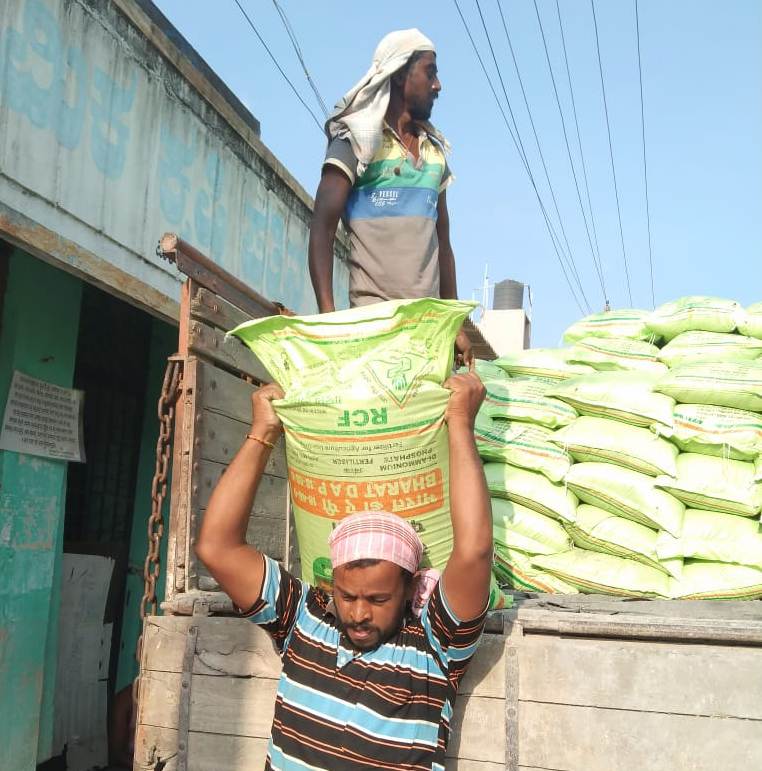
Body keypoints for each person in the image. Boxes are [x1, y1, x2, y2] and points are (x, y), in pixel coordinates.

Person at [195, 372, 492, 770]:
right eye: (347, 595)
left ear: (408, 589)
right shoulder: (305, 617)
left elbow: (473, 551)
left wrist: (459, 423)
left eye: (378, 598)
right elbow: (217, 548)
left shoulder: (433, 646)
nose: (358, 613)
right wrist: (263, 432)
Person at [308, 28, 473, 366]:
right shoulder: (356, 143)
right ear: (400, 75)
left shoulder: (435, 156)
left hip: (428, 335)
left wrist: (454, 323)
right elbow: (321, 229)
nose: (438, 85)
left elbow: (443, 244)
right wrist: (329, 320)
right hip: (372, 332)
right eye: (430, 72)